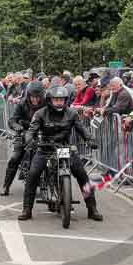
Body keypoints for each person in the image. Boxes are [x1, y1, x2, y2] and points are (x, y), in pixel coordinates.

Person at [19, 85, 102, 221]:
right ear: (50, 100)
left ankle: (92, 209)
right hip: (45, 148)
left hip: (64, 148)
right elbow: (31, 130)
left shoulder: (72, 113)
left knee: (82, 175)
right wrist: (29, 140)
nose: (59, 102)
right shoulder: (40, 113)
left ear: (66, 100)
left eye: (61, 99)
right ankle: (27, 209)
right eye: (56, 99)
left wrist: (90, 140)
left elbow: (82, 129)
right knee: (32, 175)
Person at [0, 82, 46, 197]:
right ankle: (6, 185)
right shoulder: (22, 104)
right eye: (32, 97)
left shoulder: (47, 104)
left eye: (37, 97)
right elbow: (12, 120)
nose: (35, 99)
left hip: (43, 133)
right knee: (15, 157)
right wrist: (17, 127)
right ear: (28, 95)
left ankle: (54, 184)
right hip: (24, 133)